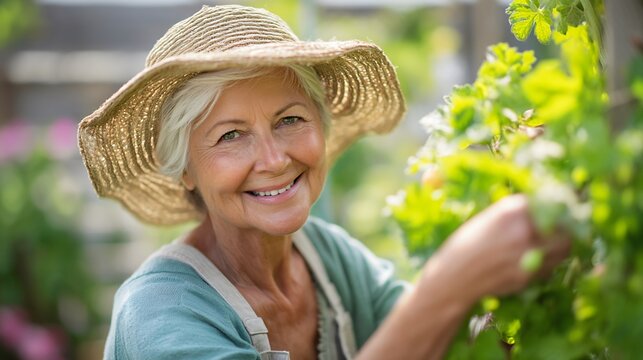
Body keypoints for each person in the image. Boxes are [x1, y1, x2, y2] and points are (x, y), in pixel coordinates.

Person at [78, 5, 570, 360]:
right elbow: (429, 315)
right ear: (184, 166)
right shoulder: (158, 315)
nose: (273, 159)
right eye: (231, 135)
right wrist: (448, 283)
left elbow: (446, 347)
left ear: (321, 122)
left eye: (290, 120)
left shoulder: (328, 259)